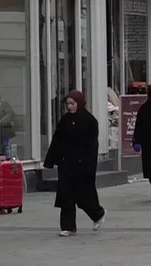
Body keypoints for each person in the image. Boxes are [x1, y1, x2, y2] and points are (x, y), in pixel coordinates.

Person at [43, 91, 106, 237]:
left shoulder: (89, 121)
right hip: (66, 164)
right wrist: (50, 160)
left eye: (72, 103)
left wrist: (89, 167)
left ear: (79, 103)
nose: (70, 107)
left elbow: (92, 147)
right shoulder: (64, 121)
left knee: (84, 197)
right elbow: (56, 141)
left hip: (82, 165)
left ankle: (98, 214)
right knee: (66, 196)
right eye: (68, 104)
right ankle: (68, 226)